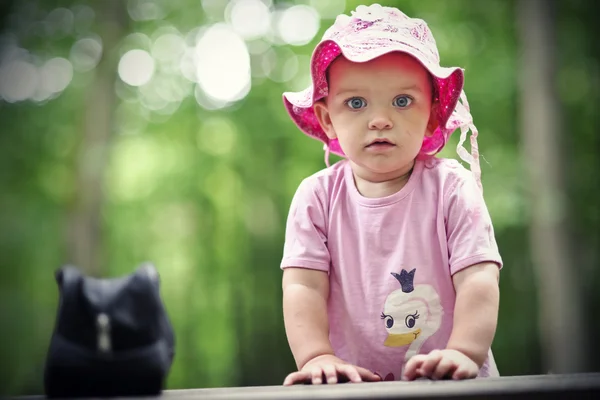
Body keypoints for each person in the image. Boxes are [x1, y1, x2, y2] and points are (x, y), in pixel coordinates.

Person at [279, 4, 502, 385]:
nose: (380, 119)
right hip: (352, 385)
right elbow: (303, 285)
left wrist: (464, 350)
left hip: (454, 384)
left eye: (402, 101)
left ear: (432, 116)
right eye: (356, 102)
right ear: (327, 118)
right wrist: (316, 356)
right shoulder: (316, 198)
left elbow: (478, 277)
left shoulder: (452, 188)